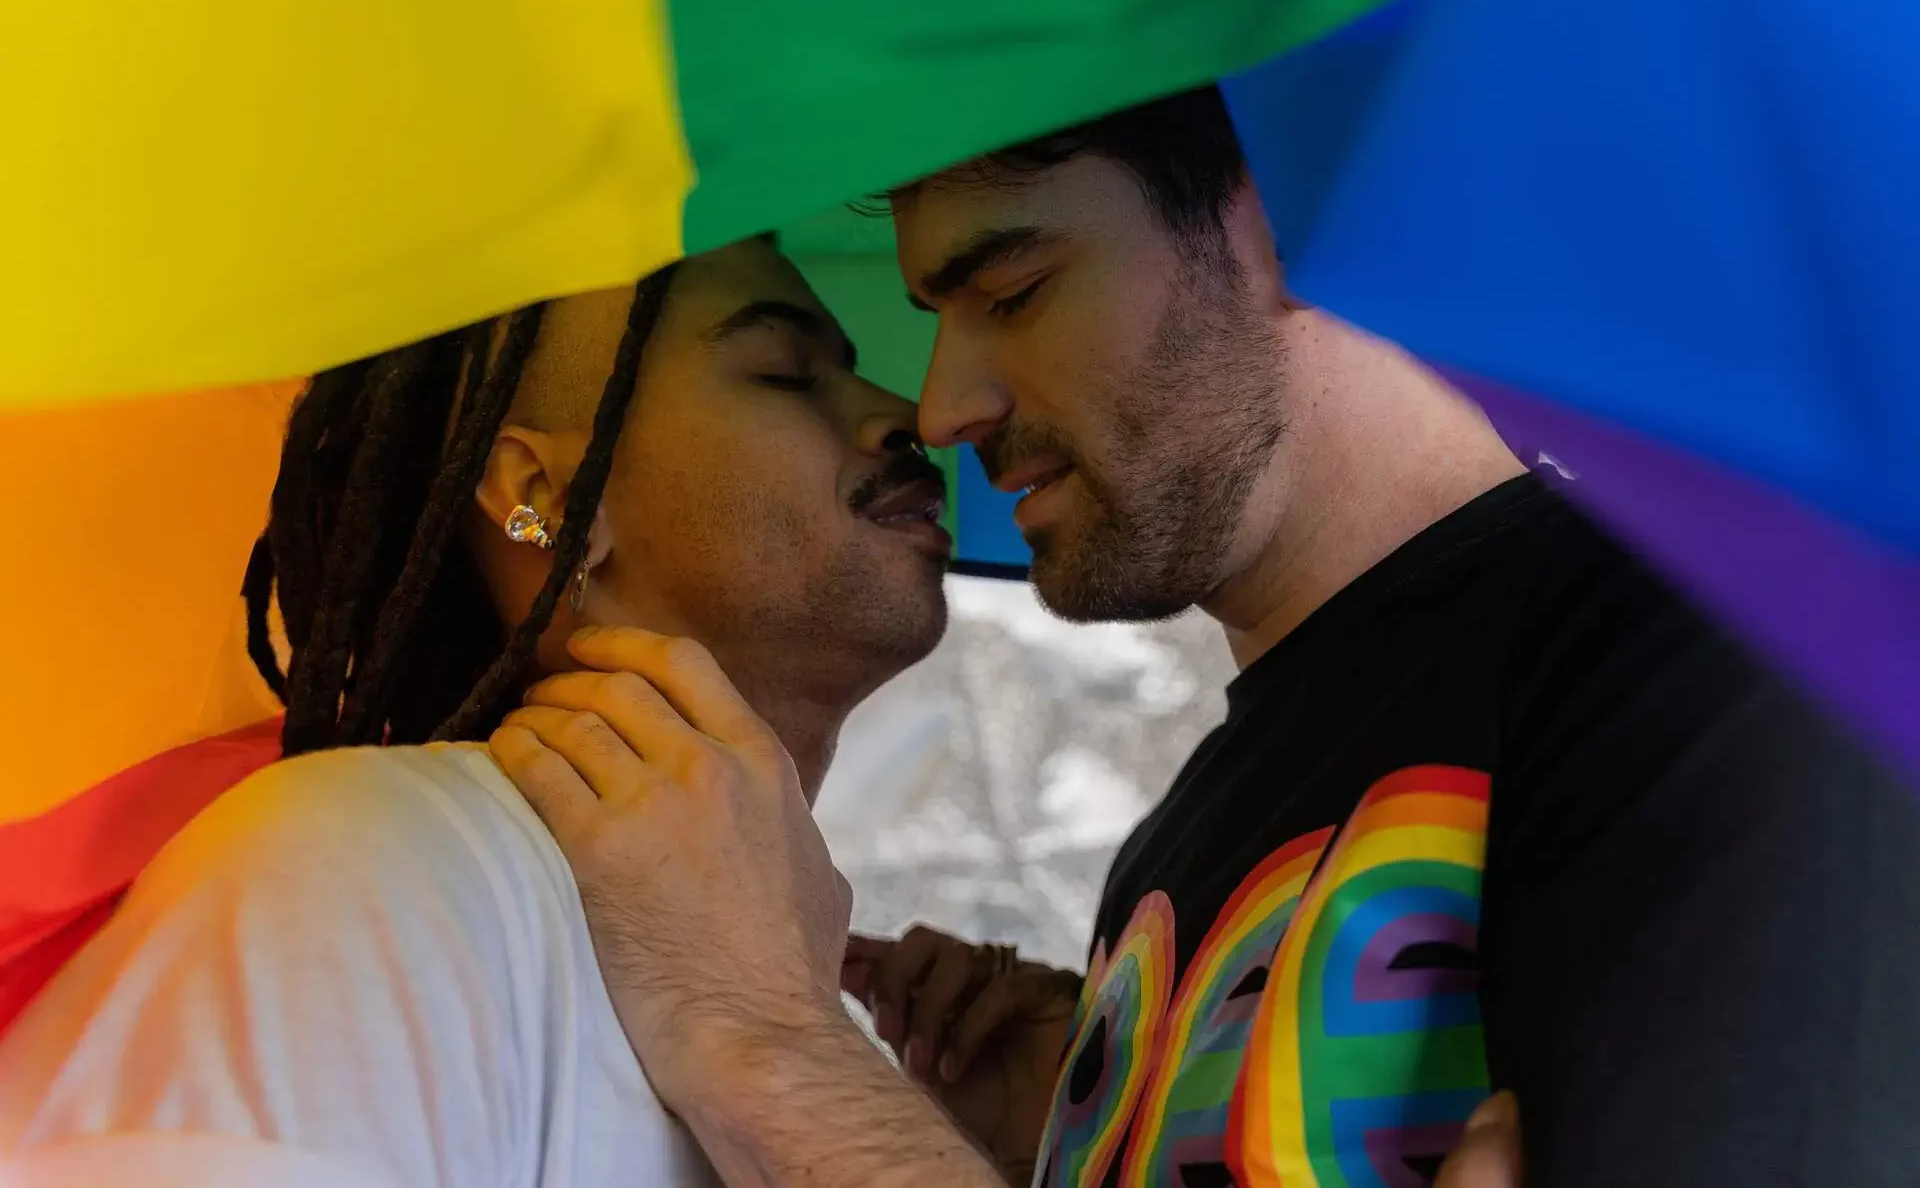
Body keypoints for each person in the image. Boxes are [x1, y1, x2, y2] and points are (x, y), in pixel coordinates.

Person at [489, 88, 1920, 1188]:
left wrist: (774, 1047)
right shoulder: (1174, 852)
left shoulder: (1732, 653)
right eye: (935, 318)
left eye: (1013, 289)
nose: (941, 408)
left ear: (1289, 209)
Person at [0, 236, 953, 1185]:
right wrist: (779, 1038)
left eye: (851, 368)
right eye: (786, 374)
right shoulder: (363, 868)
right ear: (546, 497)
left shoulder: (792, 996)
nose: (902, 414)